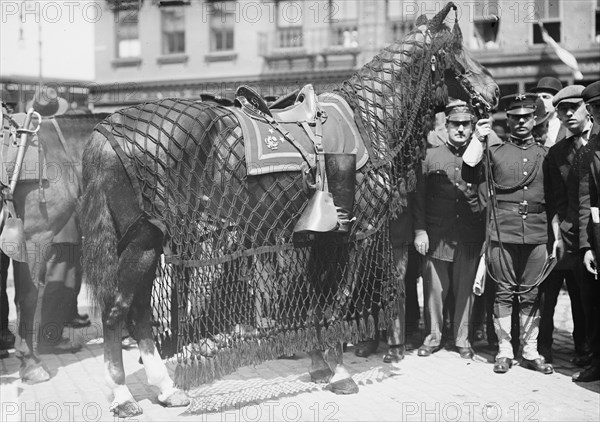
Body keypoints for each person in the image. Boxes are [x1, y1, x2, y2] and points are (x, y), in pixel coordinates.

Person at [462, 93, 554, 374]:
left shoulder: (545, 154)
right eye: (515, 117)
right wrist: (477, 138)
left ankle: (530, 350)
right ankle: (504, 350)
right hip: (503, 231)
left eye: (526, 117)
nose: (521, 122)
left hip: (536, 233)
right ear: (509, 120)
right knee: (503, 292)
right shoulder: (496, 151)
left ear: (535, 119)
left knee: (531, 292)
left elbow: (556, 196)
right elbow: (469, 172)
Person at [413, 99, 485, 360]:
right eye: (455, 124)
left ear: (472, 127)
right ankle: (433, 337)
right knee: (434, 289)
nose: (461, 129)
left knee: (465, 290)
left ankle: (462, 339)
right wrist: (420, 231)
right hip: (437, 234)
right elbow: (419, 198)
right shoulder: (431, 156)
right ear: (446, 126)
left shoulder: (480, 156)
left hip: (467, 234)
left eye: (466, 124)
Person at [540, 85, 593, 364]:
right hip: (572, 235)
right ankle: (578, 349)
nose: (569, 113)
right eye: (562, 109)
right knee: (573, 296)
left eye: (574, 107)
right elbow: (556, 199)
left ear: (589, 108)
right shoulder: (557, 153)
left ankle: (588, 349)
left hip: (597, 233)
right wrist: (560, 233)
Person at [576, 80, 600, 382]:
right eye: (596, 108)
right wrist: (587, 245)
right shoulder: (591, 148)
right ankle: (598, 361)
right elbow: (585, 197)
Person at [531, 76, 565, 147]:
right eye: (538, 98)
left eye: (545, 97)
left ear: (557, 101)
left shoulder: (567, 127)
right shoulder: (531, 127)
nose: (540, 101)